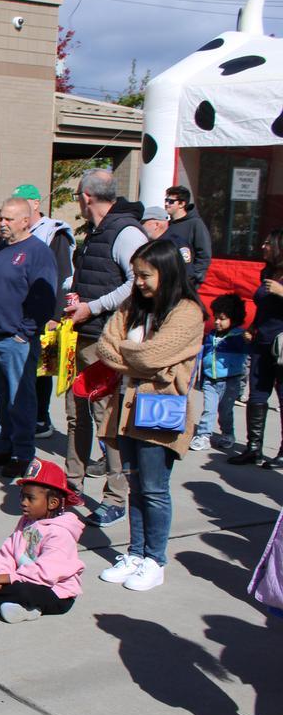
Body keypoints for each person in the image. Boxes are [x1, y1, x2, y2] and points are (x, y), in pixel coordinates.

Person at [96, 239, 205, 592]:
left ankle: (155, 559)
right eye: (136, 275)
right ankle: (136, 553)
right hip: (126, 408)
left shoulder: (187, 312)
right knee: (135, 487)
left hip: (159, 413)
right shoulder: (133, 304)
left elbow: (150, 354)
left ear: (167, 271)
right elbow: (104, 344)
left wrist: (133, 357)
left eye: (145, 275)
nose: (138, 282)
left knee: (155, 489)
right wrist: (141, 360)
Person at [63, 169, 148, 526]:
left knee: (106, 420)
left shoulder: (126, 232)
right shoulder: (97, 232)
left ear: (86, 195)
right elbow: (97, 277)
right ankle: (71, 486)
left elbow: (136, 283)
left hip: (105, 341)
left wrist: (92, 307)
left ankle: (115, 495)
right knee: (74, 415)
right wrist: (75, 296)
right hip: (82, 335)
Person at [0, 197, 57, 479]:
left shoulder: (37, 252)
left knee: (19, 399)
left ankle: (22, 452)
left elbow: (44, 297)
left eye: (8, 219)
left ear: (25, 220)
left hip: (15, 340)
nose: (1, 223)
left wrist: (24, 333)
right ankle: (2, 446)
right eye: (0, 218)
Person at [0, 459, 84, 622]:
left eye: (30, 498)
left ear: (52, 503)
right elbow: (8, 551)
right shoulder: (28, 520)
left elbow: (45, 574)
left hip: (55, 593)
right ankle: (25, 609)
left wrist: (1, 579)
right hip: (22, 576)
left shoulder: (60, 533)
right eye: (22, 496)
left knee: (22, 592)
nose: (23, 503)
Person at [13, 184, 75, 438]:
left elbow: (62, 275)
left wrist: (54, 314)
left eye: (21, 202)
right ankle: (26, 414)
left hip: (45, 313)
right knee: (26, 367)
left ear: (36, 204)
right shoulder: (20, 232)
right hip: (20, 313)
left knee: (41, 369)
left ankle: (42, 418)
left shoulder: (53, 233)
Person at [230, 230, 283, 468]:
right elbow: (263, 307)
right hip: (262, 343)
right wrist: (252, 327)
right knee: (257, 395)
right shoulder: (267, 272)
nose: (263, 246)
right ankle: (253, 448)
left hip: (281, 346)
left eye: (267, 243)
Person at [190, 293, 247, 452]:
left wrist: (248, 339)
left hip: (230, 382)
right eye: (215, 317)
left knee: (225, 412)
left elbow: (249, 350)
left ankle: (228, 434)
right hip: (210, 380)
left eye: (222, 318)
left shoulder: (238, 337)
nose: (216, 322)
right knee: (209, 409)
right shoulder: (210, 336)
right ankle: (203, 436)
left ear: (234, 319)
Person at [165, 185, 212, 286]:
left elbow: (204, 254)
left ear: (182, 204)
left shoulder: (195, 224)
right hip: (167, 281)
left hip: (186, 284)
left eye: (171, 201)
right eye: (166, 200)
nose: (166, 204)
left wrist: (193, 277)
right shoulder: (167, 224)